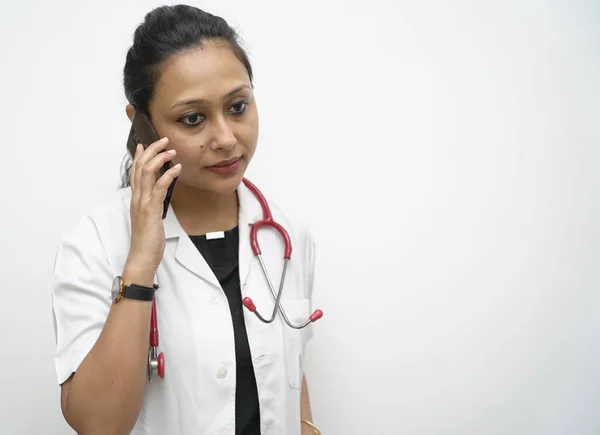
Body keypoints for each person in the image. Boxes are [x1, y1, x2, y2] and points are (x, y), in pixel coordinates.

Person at [50, 5, 321, 435]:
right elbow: (97, 424)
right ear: (142, 125)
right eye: (192, 118)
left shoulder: (286, 235)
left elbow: (290, 373)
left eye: (237, 106)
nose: (227, 139)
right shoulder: (97, 241)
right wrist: (140, 262)